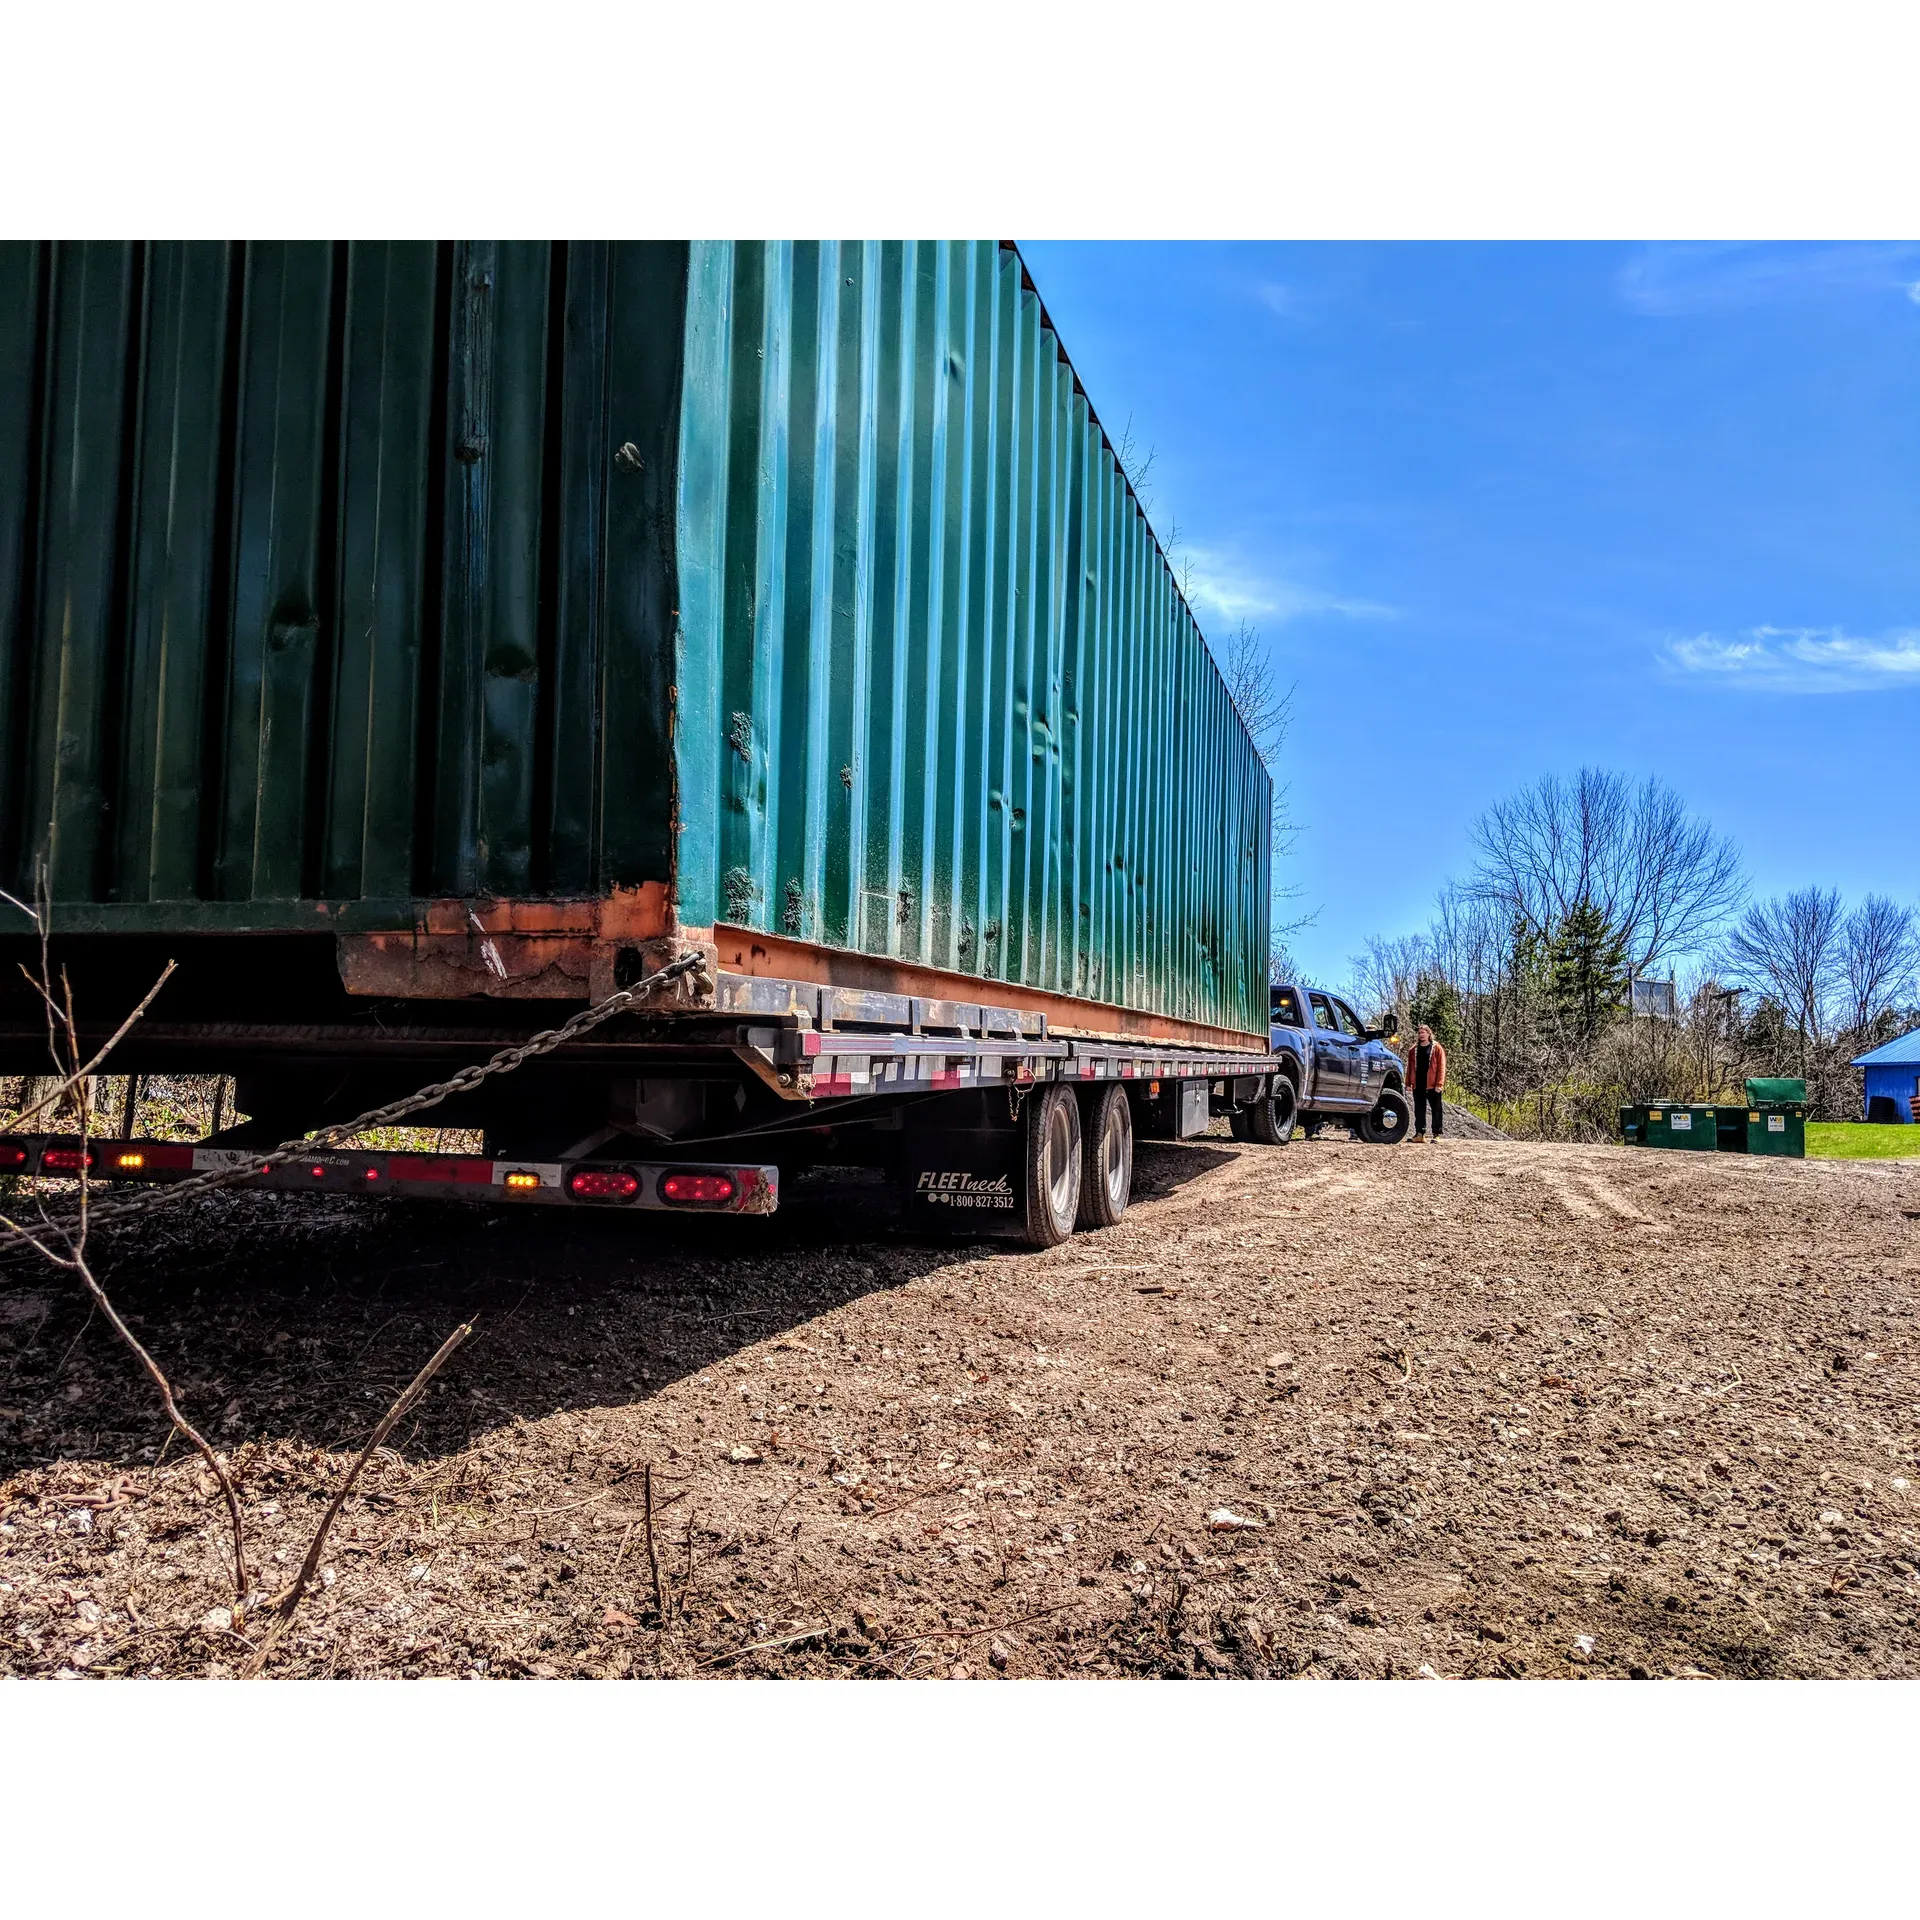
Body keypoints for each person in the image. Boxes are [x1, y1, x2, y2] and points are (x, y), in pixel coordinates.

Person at [1402, 1023, 1447, 1141]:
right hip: (1419, 1084)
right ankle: (1420, 1134)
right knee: (1419, 1110)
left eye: (1423, 1033)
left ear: (1429, 1033)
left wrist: (1439, 1084)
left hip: (1433, 1084)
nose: (1421, 1035)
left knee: (1436, 1109)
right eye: (1419, 1033)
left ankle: (1436, 1134)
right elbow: (1410, 1068)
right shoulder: (1413, 1049)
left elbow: (1442, 1067)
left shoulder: (1437, 1048)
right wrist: (1408, 1083)